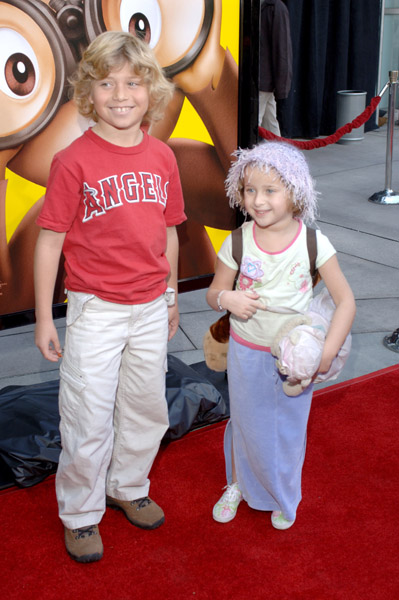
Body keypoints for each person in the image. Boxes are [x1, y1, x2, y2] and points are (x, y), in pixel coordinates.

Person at [34, 31, 186, 563]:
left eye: (133, 82)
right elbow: (50, 240)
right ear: (87, 93)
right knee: (87, 414)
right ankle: (79, 513)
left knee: (146, 408)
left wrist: (170, 295)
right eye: (106, 83)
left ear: (151, 90)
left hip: (149, 307)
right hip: (94, 309)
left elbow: (169, 231)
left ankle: (128, 484)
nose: (121, 94)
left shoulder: (163, 157)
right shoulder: (73, 161)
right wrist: (43, 318)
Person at [206, 141, 355, 529]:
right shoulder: (237, 241)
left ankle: (281, 493)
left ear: (296, 192)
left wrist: (326, 353)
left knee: (288, 427)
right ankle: (237, 484)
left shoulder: (312, 243)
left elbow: (346, 302)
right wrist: (228, 298)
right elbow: (213, 293)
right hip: (246, 350)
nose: (258, 200)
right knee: (245, 420)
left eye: (270, 190)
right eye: (250, 190)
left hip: (296, 357)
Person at [258, 0, 293, 135]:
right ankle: (280, 154)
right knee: (270, 123)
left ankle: (247, 156)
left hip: (263, 80)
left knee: (254, 125)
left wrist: (282, 85)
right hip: (260, 79)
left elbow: (282, 49)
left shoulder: (276, 8)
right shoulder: (261, 6)